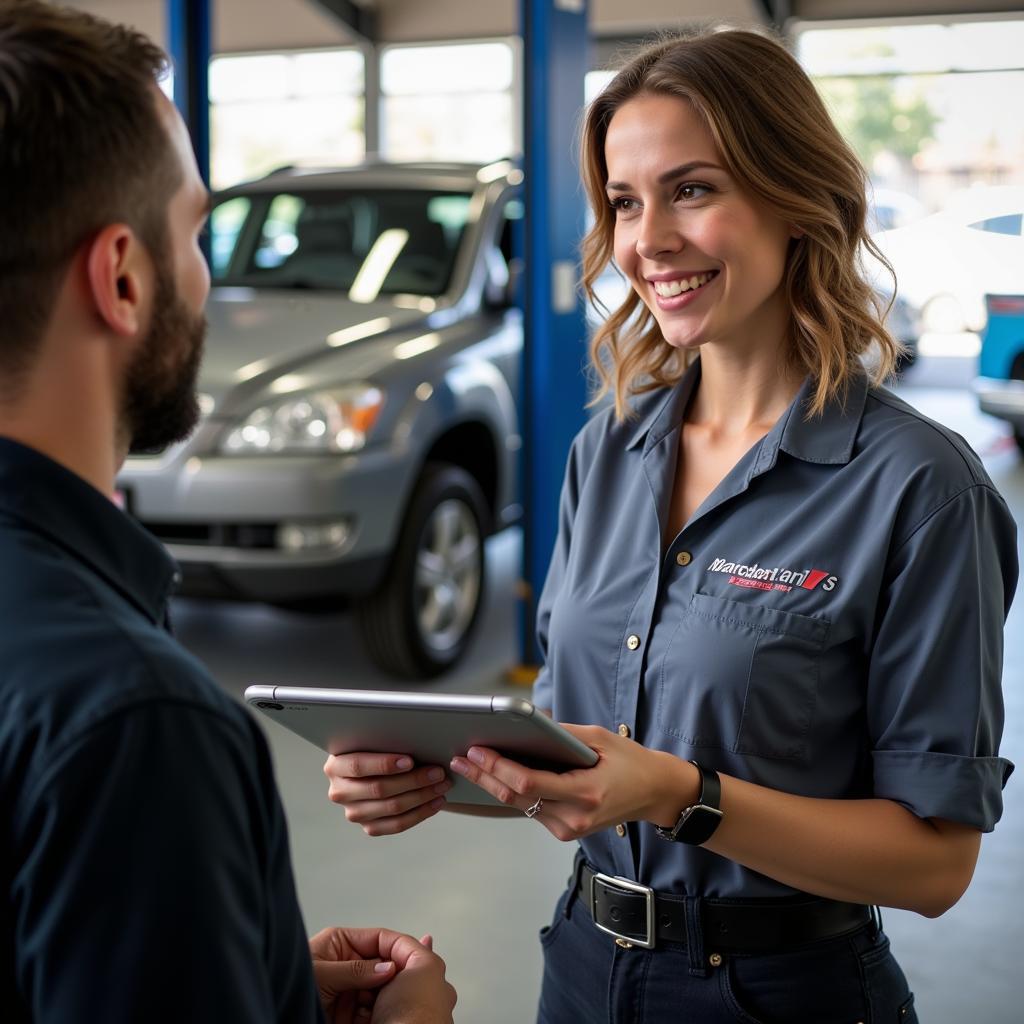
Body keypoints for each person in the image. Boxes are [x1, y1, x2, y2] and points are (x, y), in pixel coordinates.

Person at [324, 25, 1019, 1023]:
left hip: (787, 993)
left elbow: (936, 862)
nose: (646, 239)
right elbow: (590, 764)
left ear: (795, 197)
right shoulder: (602, 455)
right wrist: (443, 773)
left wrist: (681, 795)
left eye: (691, 188)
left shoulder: (917, 487)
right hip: (581, 967)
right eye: (622, 200)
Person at [0, 4, 457, 1022]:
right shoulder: (138, 724)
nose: (207, 282)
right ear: (121, 276)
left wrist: (246, 975)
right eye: (196, 232)